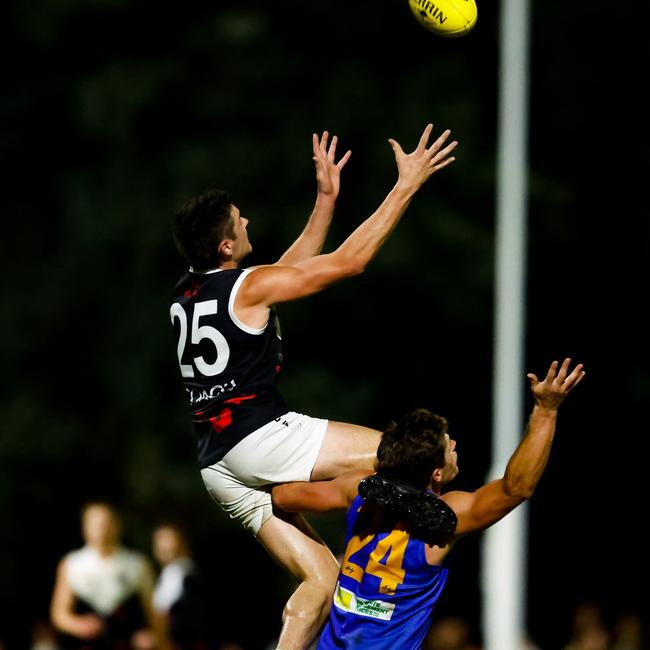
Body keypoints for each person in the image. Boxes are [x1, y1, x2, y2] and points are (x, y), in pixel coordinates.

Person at [169, 124, 458, 649]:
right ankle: (396, 582)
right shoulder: (248, 287)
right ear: (228, 244)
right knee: (403, 455)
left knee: (321, 580)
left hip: (217, 466)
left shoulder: (189, 293)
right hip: (260, 437)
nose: (248, 217)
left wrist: (325, 201)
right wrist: (406, 186)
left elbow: (288, 268)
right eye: (240, 218)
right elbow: (351, 263)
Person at [271, 358, 586, 649]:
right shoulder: (443, 522)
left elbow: (283, 496)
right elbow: (516, 488)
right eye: (447, 443)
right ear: (436, 472)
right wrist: (546, 410)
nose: (454, 444)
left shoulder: (360, 490)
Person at [50, 501, 168, 650]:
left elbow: (156, 614)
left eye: (107, 523)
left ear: (118, 525)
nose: (102, 529)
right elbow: (59, 614)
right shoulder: (71, 564)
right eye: (96, 524)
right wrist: (79, 626)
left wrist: (155, 637)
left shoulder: (138, 564)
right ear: (85, 528)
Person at [151, 522, 209, 650]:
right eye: (159, 540)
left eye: (167, 539)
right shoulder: (168, 573)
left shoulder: (188, 575)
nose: (163, 545)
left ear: (181, 541)